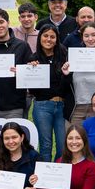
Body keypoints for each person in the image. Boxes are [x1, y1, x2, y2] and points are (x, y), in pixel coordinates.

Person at [28, 24, 68, 161]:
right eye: (45, 36)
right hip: (42, 106)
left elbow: (68, 83)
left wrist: (66, 74)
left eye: (52, 36)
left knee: (63, 146)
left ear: (57, 39)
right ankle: (44, 178)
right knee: (45, 145)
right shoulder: (34, 59)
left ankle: (57, 171)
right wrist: (31, 73)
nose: (49, 39)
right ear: (40, 38)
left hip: (62, 106)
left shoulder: (64, 55)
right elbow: (32, 91)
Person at [60, 22, 95, 126]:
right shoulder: (73, 57)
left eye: (93, 35)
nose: (90, 39)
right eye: (86, 36)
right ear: (82, 38)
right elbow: (63, 89)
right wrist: (66, 75)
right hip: (76, 109)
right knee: (74, 141)